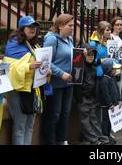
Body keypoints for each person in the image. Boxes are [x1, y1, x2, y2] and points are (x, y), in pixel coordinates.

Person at [4, 16, 42, 145]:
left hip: (31, 89)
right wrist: (29, 66)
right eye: (30, 27)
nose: (33, 29)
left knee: (30, 125)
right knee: (20, 125)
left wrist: (45, 70)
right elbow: (9, 68)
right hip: (17, 90)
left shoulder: (34, 45)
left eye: (35, 27)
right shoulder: (13, 44)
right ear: (22, 29)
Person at [42, 14, 75, 145]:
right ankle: (50, 142)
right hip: (56, 83)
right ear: (60, 26)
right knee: (54, 114)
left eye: (73, 25)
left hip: (69, 82)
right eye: (70, 26)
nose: (73, 28)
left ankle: (62, 140)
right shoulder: (51, 39)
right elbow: (46, 61)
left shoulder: (70, 39)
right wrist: (61, 73)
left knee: (65, 113)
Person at [74, 44, 111, 145]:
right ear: (85, 54)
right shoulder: (80, 66)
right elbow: (76, 61)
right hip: (82, 98)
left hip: (91, 98)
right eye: (88, 54)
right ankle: (94, 140)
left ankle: (100, 138)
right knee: (85, 121)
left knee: (94, 119)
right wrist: (82, 55)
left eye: (93, 54)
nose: (90, 56)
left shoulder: (93, 67)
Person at [96, 57, 121, 144]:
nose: (116, 70)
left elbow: (117, 90)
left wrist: (119, 100)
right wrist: (110, 104)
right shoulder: (104, 80)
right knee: (104, 122)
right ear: (109, 69)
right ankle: (104, 137)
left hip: (112, 106)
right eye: (114, 69)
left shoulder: (112, 78)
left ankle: (108, 135)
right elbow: (105, 94)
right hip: (105, 106)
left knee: (110, 122)